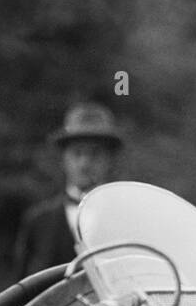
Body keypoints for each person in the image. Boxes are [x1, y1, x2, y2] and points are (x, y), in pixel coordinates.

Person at [14, 102, 123, 278]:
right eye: (77, 153)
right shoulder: (38, 221)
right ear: (63, 159)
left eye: (95, 154)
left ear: (109, 160)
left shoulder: (125, 217)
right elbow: (22, 290)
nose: (84, 163)